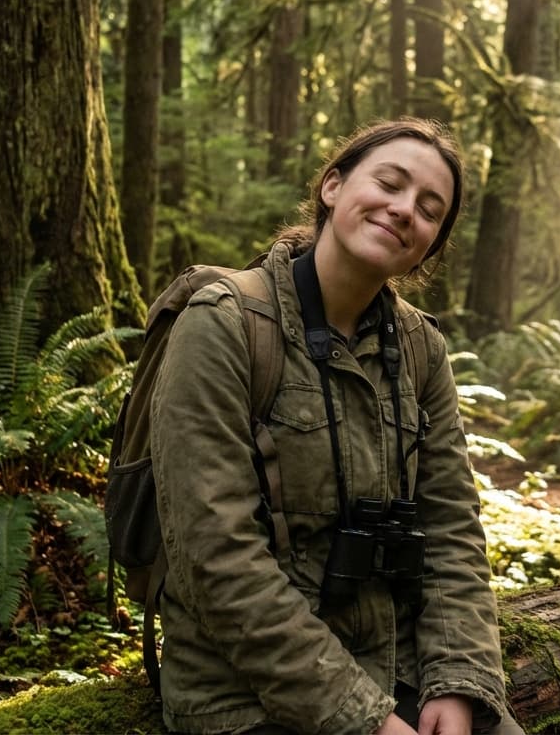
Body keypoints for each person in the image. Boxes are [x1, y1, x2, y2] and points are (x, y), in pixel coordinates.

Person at [150, 118, 525, 735]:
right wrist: (363, 718)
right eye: (390, 184)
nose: (404, 210)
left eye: (429, 209)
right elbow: (215, 556)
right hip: (243, 695)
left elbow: (451, 529)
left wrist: (459, 681)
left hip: (399, 669)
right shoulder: (224, 324)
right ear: (332, 186)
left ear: (430, 244)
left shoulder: (420, 349)